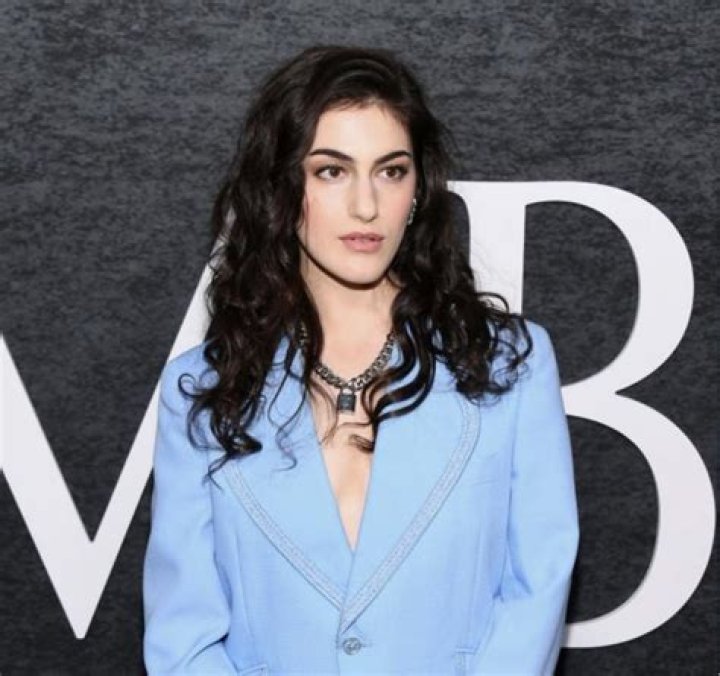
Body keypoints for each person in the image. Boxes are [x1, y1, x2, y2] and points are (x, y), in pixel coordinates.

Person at [142, 45, 579, 675]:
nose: (367, 206)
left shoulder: (508, 367)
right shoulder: (203, 391)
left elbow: (535, 590)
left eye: (391, 171)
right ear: (281, 186)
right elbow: (184, 640)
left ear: (418, 189)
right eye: (331, 171)